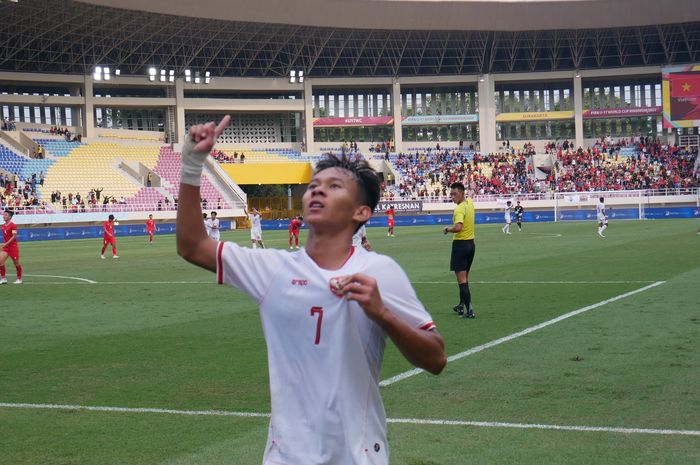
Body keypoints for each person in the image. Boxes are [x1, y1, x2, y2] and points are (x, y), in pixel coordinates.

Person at [175, 115, 445, 465]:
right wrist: (192, 164)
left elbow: (436, 359)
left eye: (334, 186)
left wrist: (383, 314)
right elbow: (192, 245)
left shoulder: (379, 271)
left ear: (361, 212)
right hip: (285, 458)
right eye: (315, 184)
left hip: (357, 457)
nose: (317, 189)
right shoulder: (273, 270)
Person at [443, 182, 476, 318]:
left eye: (454, 194)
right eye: (451, 194)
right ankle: (461, 305)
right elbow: (470, 195)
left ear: (462, 193)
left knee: (462, 280)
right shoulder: (469, 202)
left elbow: (458, 227)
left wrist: (447, 229)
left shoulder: (459, 209)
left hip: (460, 245)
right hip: (471, 245)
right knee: (464, 278)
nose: (452, 196)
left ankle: (470, 310)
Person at [1, 209, 23, 284]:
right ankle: (3, 278)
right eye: (3, 215)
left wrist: (6, 244)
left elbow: (14, 236)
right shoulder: (3, 226)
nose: (4, 216)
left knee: (16, 263)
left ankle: (19, 278)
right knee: (0, 262)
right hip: (6, 247)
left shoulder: (13, 225)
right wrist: (5, 245)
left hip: (13, 247)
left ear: (10, 217)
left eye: (6, 215)